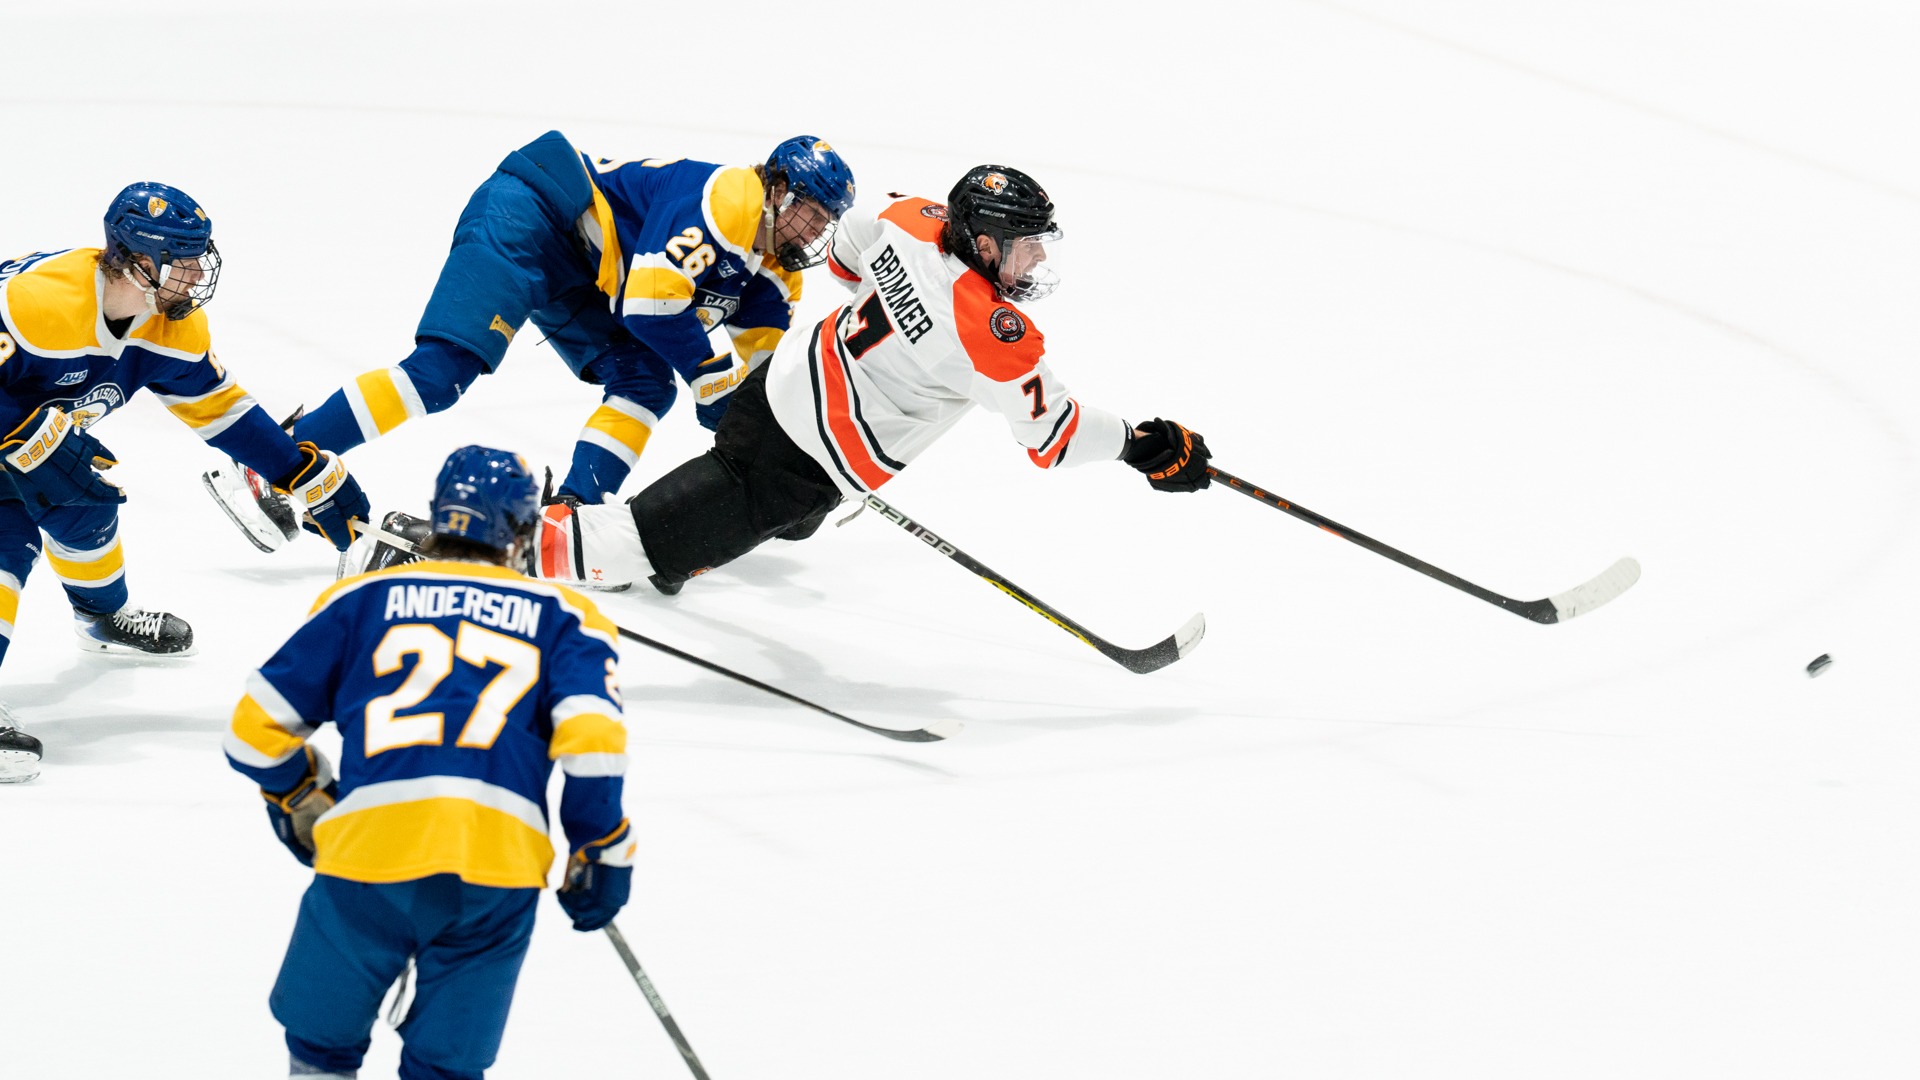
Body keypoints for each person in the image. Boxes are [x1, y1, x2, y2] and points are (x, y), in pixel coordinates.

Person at [513, 164, 1212, 596]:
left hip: (776, 392)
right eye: (1027, 246)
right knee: (645, 539)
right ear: (990, 241)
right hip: (801, 458)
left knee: (796, 524)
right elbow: (1053, 439)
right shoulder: (994, 335)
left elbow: (847, 261)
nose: (1033, 262)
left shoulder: (910, 220)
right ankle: (484, 546)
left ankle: (690, 537)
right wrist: (1138, 443)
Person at [207, 131, 857, 552]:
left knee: (645, 382)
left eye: (823, 220)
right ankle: (276, 459)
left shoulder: (776, 281)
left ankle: (568, 518)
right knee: (443, 372)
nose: (809, 228)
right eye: (803, 208)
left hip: (593, 273)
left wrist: (795, 461)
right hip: (535, 212)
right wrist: (714, 378)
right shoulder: (728, 197)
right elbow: (654, 306)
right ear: (773, 187)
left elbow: (751, 390)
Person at [224, 445, 634, 1080]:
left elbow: (254, 732)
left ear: (438, 518)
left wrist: (298, 790)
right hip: (496, 870)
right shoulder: (570, 618)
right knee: (446, 1068)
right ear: (521, 534)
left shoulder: (360, 598)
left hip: (366, 857)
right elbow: (592, 742)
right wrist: (600, 843)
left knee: (320, 1052)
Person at [0, 182, 370, 783]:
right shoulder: (40, 304)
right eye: (183, 258)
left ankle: (102, 618)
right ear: (135, 261)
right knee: (7, 537)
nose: (198, 272)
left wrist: (304, 477)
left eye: (202, 255)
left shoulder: (169, 327)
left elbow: (224, 413)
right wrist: (23, 436)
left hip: (16, 430)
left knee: (83, 499)